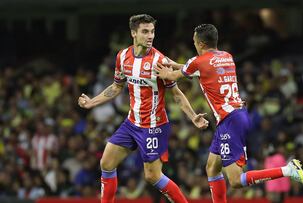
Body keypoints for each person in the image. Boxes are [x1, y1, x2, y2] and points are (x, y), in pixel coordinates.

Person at [155, 24, 303, 203]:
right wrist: (175, 64)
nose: (194, 44)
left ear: (200, 43)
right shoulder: (227, 57)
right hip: (235, 116)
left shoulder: (198, 62)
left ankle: (288, 170)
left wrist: (165, 71)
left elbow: (175, 76)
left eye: (194, 42)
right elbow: (198, 68)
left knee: (236, 181)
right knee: (212, 168)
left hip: (230, 121)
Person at [78, 14, 209, 203]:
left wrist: (193, 116)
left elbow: (177, 94)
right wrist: (92, 102)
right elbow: (116, 87)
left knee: (152, 176)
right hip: (132, 123)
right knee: (106, 162)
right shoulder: (122, 57)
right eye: (145, 32)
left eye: (152, 32)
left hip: (154, 126)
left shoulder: (160, 61)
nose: (150, 36)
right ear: (134, 33)